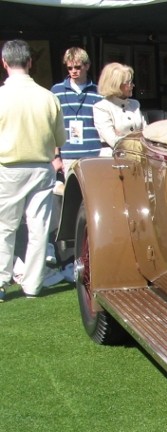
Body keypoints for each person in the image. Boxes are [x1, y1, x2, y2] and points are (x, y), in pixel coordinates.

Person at [0, 39, 69, 301]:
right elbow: (59, 140)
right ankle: (33, 284)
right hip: (41, 167)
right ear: (30, 62)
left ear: (4, 63)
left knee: (5, 227)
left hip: (8, 167)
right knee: (38, 227)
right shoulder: (48, 97)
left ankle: (1, 281)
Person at [51, 47, 104, 171]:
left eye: (78, 67)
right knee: (71, 190)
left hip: (94, 153)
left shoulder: (99, 92)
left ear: (87, 66)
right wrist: (56, 156)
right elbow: (52, 125)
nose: (73, 71)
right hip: (68, 154)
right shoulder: (56, 91)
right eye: (70, 68)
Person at [93, 62, 145, 156]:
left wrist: (123, 136)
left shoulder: (135, 105)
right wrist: (137, 140)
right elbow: (113, 140)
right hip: (113, 159)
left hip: (139, 158)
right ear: (116, 85)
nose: (133, 85)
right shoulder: (101, 107)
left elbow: (146, 132)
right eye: (129, 83)